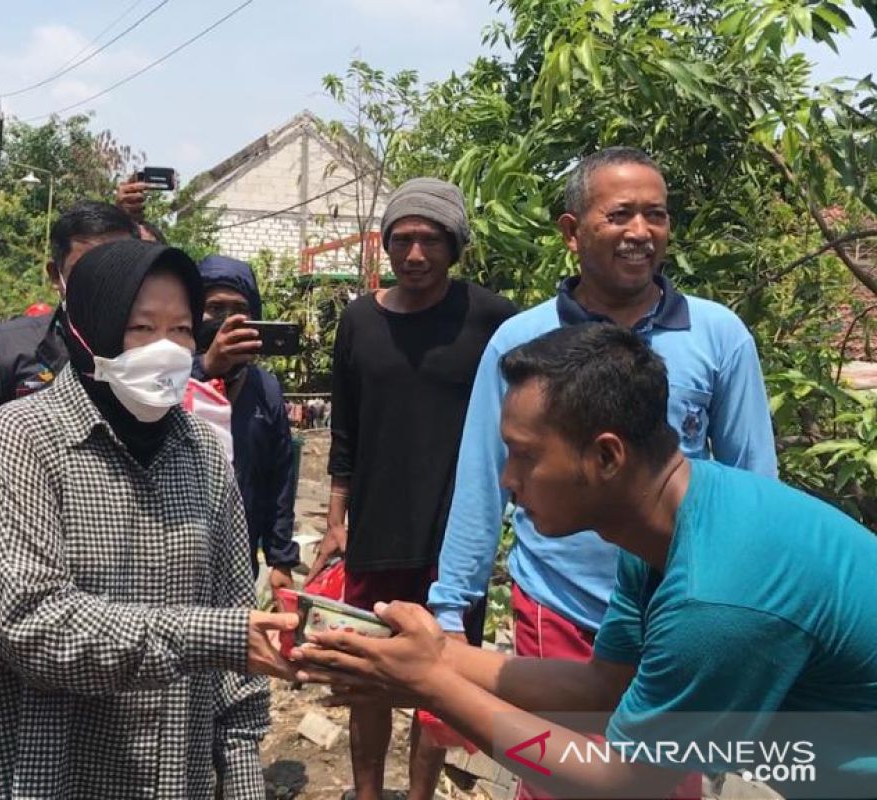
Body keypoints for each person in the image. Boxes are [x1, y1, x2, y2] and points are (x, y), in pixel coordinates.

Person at [295, 323, 877, 799]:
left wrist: (433, 687)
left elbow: (621, 780)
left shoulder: (713, 598)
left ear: (605, 456)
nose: (507, 479)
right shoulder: (667, 520)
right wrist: (438, 656)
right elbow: (603, 687)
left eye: (523, 456)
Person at [428, 146, 777, 785]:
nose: (641, 232)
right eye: (620, 215)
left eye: (657, 215)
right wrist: (450, 612)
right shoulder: (520, 343)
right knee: (558, 775)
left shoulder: (719, 336)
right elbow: (482, 481)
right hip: (556, 606)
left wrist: (746, 616)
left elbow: (753, 482)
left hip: (675, 615)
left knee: (660, 782)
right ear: (572, 231)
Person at [0, 239, 299, 799]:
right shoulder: (21, 442)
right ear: (89, 329)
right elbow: (33, 624)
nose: (166, 351)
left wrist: (243, 785)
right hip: (46, 776)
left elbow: (235, 666)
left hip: (177, 777)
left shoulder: (202, 454)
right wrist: (212, 636)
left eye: (180, 331)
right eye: (141, 329)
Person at [311, 177, 517, 800]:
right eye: (403, 239)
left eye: (431, 239)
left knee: (444, 680)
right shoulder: (359, 320)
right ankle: (368, 792)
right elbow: (344, 431)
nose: (416, 254)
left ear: (455, 246)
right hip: (376, 531)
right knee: (365, 674)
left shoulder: (491, 318)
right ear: (386, 246)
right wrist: (336, 519)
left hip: (457, 539)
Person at [0, 200, 137, 469]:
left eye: (118, 270)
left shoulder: (153, 352)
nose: (104, 284)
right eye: (85, 270)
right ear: (55, 275)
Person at [194, 254, 301, 593]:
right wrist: (205, 369)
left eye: (238, 309)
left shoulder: (265, 388)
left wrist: (281, 558)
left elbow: (279, 479)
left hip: (240, 565)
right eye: (215, 308)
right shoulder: (167, 375)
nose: (227, 320)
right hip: (176, 558)